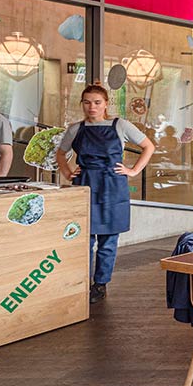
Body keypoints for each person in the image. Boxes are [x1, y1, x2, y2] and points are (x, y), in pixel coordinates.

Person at [56, 84, 155, 303]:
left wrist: (133, 170)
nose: (92, 107)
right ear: (82, 104)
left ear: (106, 104)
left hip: (113, 185)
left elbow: (149, 146)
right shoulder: (75, 128)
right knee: (84, 239)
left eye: (97, 102)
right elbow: (61, 153)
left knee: (108, 240)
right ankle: (80, 282)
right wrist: (67, 172)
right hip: (85, 184)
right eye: (87, 102)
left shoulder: (121, 125)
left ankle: (100, 284)